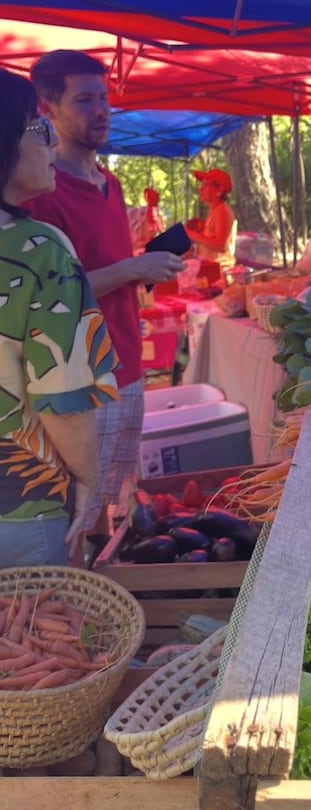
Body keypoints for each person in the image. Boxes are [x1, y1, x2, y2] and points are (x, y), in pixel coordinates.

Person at [25, 50, 186, 541]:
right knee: (76, 510)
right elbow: (49, 294)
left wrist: (140, 269)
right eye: (84, 99)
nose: (101, 110)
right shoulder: (41, 193)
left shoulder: (109, 184)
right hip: (80, 378)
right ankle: (80, 603)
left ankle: (105, 589)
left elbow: (100, 270)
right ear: (47, 108)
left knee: (110, 506)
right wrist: (135, 267)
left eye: (104, 97)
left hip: (129, 366)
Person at [0, 69, 119, 567]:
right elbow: (62, 397)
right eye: (38, 127)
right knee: (38, 638)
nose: (50, 144)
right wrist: (89, 479)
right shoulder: (39, 250)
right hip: (21, 508)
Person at [185, 168, 237, 269]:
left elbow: (221, 245)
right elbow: (209, 240)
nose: (201, 189)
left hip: (221, 270)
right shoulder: (214, 210)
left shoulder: (223, 211)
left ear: (219, 190)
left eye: (205, 185)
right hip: (210, 268)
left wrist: (191, 234)